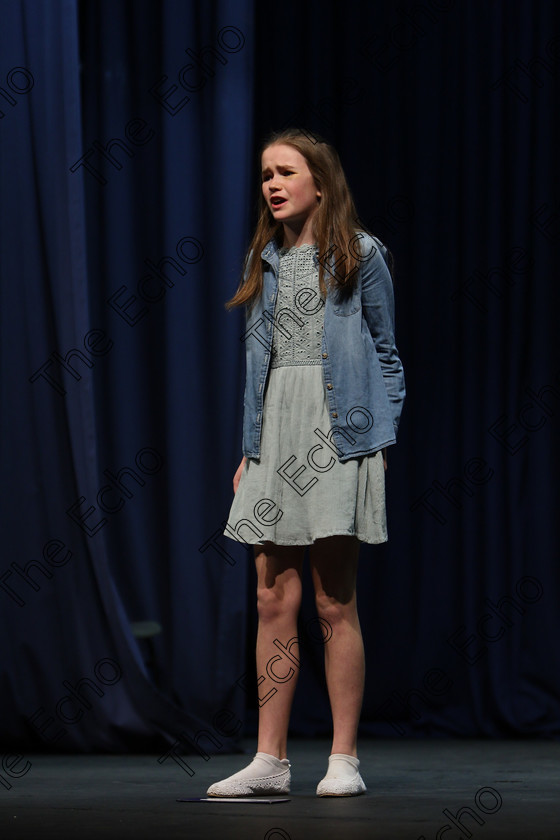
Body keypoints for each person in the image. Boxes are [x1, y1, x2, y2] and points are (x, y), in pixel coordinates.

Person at [207, 128, 405, 798]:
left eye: (284, 171)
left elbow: (386, 356)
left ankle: (343, 758)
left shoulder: (361, 253)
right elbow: (256, 368)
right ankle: (270, 760)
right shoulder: (263, 258)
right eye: (265, 173)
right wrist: (249, 447)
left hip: (338, 435)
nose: (271, 183)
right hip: (275, 436)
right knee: (271, 598)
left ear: (319, 182)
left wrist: (378, 440)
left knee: (331, 600)